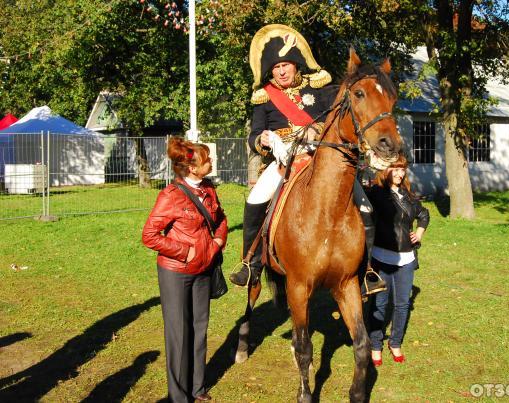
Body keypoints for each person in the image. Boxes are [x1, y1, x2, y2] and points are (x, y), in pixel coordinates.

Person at [229, 24, 385, 294]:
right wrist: (262, 140)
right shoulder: (265, 98)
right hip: (282, 161)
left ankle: (367, 270)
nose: (281, 72)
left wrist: (317, 129)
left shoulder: (320, 89)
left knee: (366, 207)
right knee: (255, 199)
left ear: (296, 65)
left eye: (285, 66)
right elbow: (253, 135)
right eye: (276, 68)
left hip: (321, 158)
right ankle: (250, 262)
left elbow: (335, 119)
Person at [142, 137, 227, 402]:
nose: (211, 161)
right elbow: (150, 235)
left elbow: (220, 218)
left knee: (199, 329)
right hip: (175, 272)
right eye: (207, 159)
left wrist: (218, 240)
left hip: (204, 268)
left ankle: (197, 388)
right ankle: (178, 396)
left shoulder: (209, 189)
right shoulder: (171, 195)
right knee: (179, 333)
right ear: (191, 167)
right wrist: (185, 251)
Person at [366, 155, 429, 367]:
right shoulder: (376, 193)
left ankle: (395, 342)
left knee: (402, 305)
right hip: (381, 259)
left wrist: (419, 233)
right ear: (386, 170)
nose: (400, 174)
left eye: (403, 169)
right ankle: (375, 345)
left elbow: (424, 213)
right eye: (396, 169)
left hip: (406, 260)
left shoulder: (407, 195)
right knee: (379, 304)